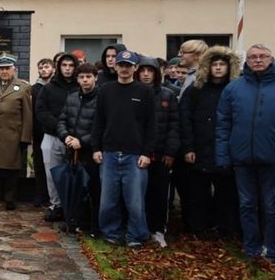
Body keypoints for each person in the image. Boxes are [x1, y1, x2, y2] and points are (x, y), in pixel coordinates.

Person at [215, 44, 275, 263]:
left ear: (270, 59)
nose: (258, 60)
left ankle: (272, 249)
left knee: (271, 205)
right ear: (246, 61)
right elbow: (223, 124)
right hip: (242, 158)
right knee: (247, 204)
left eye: (262, 56)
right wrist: (223, 156)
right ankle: (251, 248)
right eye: (253, 57)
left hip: (271, 158)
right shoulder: (234, 89)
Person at [91, 50, 156, 248]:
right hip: (109, 153)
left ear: (135, 68)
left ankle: (136, 236)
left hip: (135, 155)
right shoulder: (106, 90)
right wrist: (96, 148)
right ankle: (112, 233)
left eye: (129, 65)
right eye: (121, 65)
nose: (125, 69)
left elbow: (151, 125)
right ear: (115, 66)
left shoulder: (145, 92)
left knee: (135, 201)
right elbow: (98, 122)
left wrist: (147, 152)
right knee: (108, 201)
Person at [179, 46, 240, 239]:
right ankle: (199, 228)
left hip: (225, 149)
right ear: (208, 66)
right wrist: (188, 147)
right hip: (199, 147)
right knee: (198, 193)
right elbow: (185, 118)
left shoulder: (233, 90)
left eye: (223, 64)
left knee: (226, 193)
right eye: (215, 64)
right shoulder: (196, 89)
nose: (219, 68)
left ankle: (224, 228)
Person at [136, 56, 180, 248]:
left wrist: (171, 151)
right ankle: (140, 228)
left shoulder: (167, 95)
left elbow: (174, 125)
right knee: (138, 194)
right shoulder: (133, 93)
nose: (146, 74)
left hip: (161, 154)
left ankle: (158, 229)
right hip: (137, 153)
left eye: (150, 71)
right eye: (143, 71)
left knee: (160, 194)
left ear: (156, 73)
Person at [0, 53, 32, 211]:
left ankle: (10, 199)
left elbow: (28, 115)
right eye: (1, 68)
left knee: (11, 170)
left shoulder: (23, 87)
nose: (4, 71)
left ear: (14, 69)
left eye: (7, 68)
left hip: (12, 135)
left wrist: (25, 137)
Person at [56, 62, 100, 235]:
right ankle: (75, 222)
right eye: (81, 77)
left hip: (92, 151)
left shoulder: (102, 98)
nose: (85, 80)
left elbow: (102, 127)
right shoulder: (72, 97)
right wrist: (65, 136)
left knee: (95, 191)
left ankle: (94, 226)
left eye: (88, 77)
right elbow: (62, 120)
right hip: (72, 151)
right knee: (75, 189)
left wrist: (82, 141)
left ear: (95, 77)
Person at [36, 53, 79, 221]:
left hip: (75, 139)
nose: (67, 69)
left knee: (73, 174)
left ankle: (72, 206)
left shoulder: (79, 87)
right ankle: (56, 205)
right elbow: (41, 111)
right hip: (52, 136)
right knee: (52, 174)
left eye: (71, 65)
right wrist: (60, 128)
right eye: (64, 65)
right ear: (58, 67)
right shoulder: (48, 88)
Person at [31, 58, 55, 207]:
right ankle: (42, 194)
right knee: (39, 165)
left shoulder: (55, 87)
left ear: (53, 69)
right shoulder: (34, 88)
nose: (44, 70)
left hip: (53, 131)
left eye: (47, 67)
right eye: (41, 68)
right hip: (38, 131)